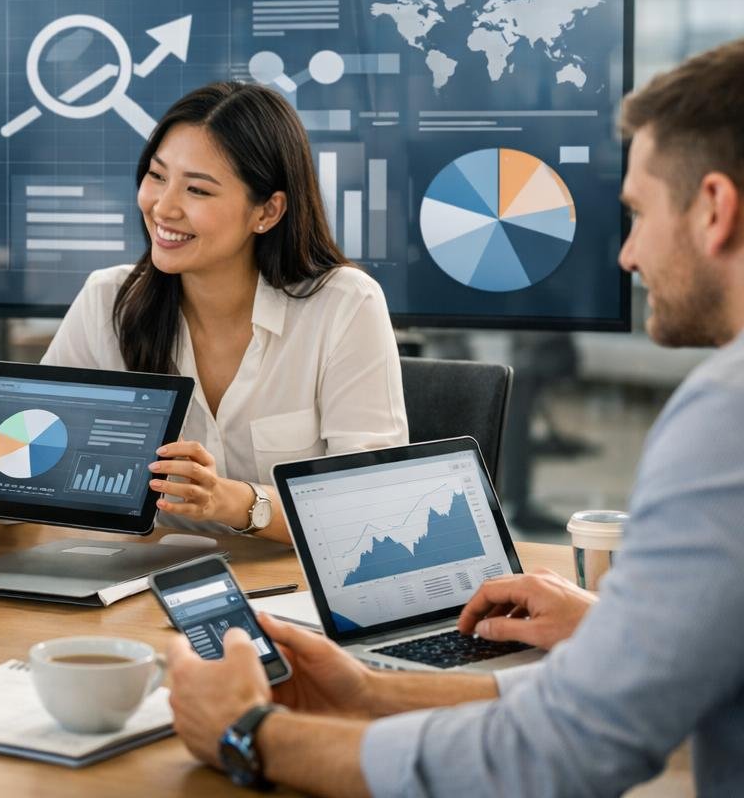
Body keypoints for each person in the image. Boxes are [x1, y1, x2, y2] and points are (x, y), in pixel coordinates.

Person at [166, 38, 744, 796]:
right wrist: (369, 691)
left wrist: (253, 735)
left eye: (635, 213)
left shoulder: (725, 417)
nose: (627, 255)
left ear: (713, 208)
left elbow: (562, 751)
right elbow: (603, 701)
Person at [0, 82, 408, 543]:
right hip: (136, 589)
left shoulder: (344, 306)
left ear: (267, 211)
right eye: (157, 176)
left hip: (293, 598)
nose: (163, 206)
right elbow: (34, 494)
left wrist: (234, 502)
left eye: (197, 190)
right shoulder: (108, 299)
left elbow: (366, 509)